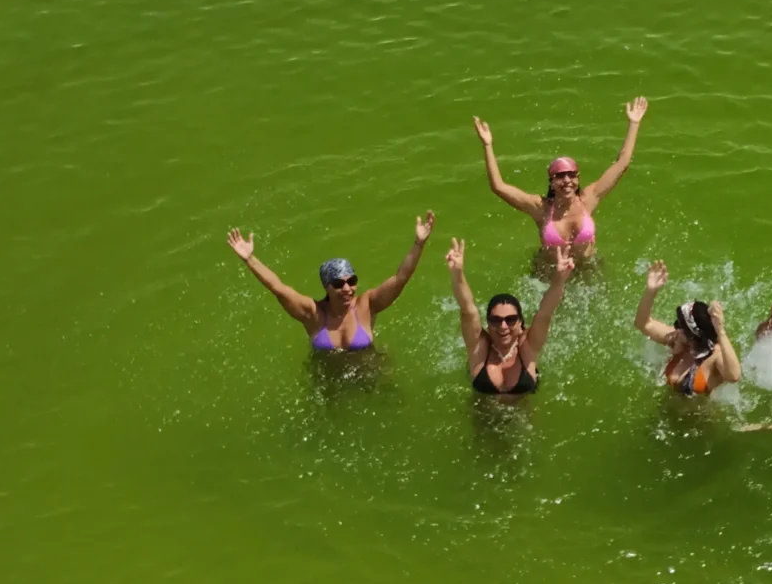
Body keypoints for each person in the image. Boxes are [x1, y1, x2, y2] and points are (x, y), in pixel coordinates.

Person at [225, 212, 435, 353]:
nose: (347, 288)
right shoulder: (313, 313)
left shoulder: (367, 305)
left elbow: (401, 278)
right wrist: (249, 259)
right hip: (328, 386)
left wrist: (419, 244)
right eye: (338, 284)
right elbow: (277, 288)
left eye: (351, 281)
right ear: (326, 287)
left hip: (369, 377)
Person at [472, 96, 647, 259]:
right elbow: (498, 187)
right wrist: (487, 145)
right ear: (552, 182)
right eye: (560, 176)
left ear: (578, 179)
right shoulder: (540, 209)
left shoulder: (589, 199)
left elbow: (622, 163)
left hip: (587, 271)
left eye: (572, 175)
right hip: (550, 276)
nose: (567, 181)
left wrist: (634, 123)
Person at [447, 236, 574, 395]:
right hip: (481, 418)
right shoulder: (479, 348)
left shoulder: (528, 346)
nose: (503, 326)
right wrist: (457, 274)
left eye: (511, 319)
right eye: (496, 320)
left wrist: (559, 280)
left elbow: (545, 313)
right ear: (488, 324)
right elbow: (468, 309)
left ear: (521, 323)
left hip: (524, 417)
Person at [635, 260, 742, 394]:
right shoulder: (679, 340)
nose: (676, 329)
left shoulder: (715, 356)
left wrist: (720, 331)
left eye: (680, 325)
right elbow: (643, 324)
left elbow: (734, 376)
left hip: (702, 415)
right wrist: (651, 291)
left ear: (693, 336)